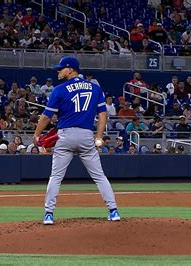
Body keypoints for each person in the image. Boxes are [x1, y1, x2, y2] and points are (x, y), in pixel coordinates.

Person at [32, 56, 120, 225]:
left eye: (61, 68)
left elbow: (46, 117)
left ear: (71, 69)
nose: (58, 71)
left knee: (56, 177)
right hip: (86, 136)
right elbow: (103, 114)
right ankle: (113, 211)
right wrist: (99, 136)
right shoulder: (95, 88)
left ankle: (48, 214)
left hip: (65, 136)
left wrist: (36, 135)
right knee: (99, 176)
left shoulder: (59, 89)